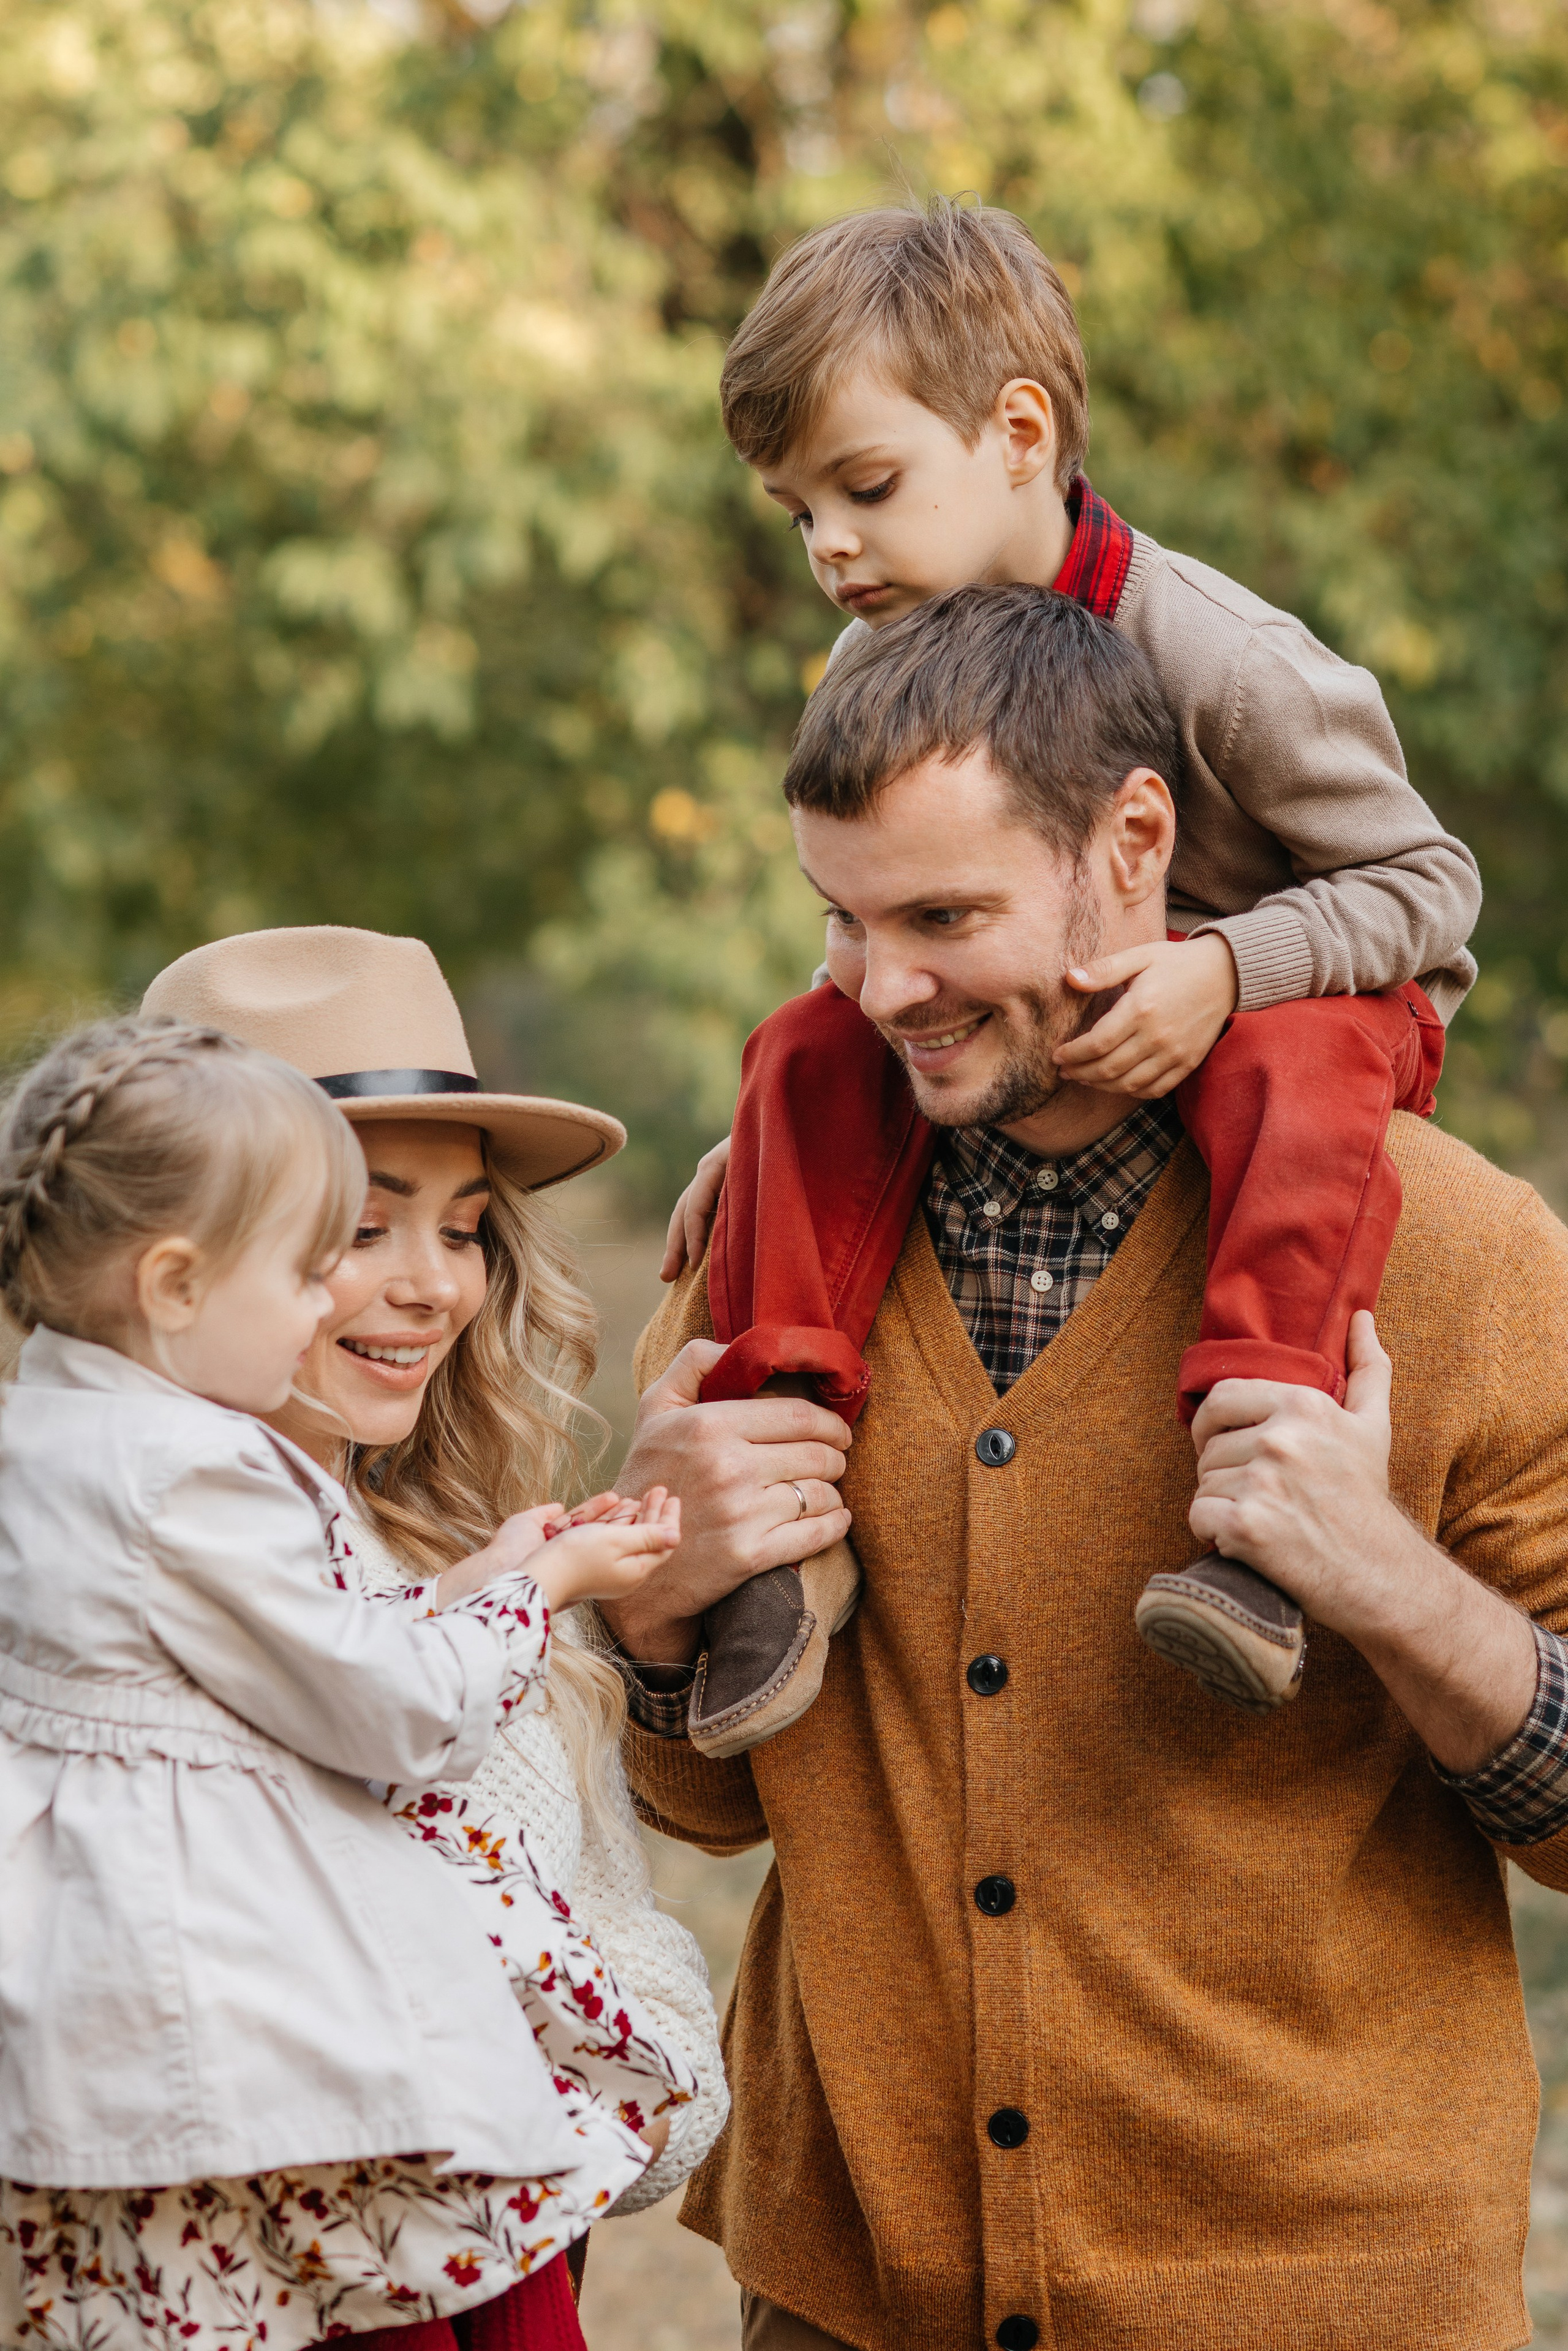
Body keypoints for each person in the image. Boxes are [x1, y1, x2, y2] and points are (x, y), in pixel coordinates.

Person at [601, 590, 1568, 2350]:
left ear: (1136, 842)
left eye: (946, 916)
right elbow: (706, 1806)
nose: (883, 986)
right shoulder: (764, 1240)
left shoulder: (1470, 1261)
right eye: (844, 919)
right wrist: (660, 1625)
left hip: (1328, 2302)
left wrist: (1386, 1578)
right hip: (846, 2295)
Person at [657, 194, 1480, 1748]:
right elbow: (877, 924)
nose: (829, 545)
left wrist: (1226, 967)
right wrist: (779, 1132)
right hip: (1040, 1014)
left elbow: (1433, 887)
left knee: (1283, 1066)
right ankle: (786, 1513)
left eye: (865, 486)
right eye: (795, 512)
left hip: (1297, 998)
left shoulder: (1222, 660)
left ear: (1018, 432)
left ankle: (1257, 1508)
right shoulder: (872, 658)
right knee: (795, 1045)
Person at [0, 1013, 687, 2351]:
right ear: (176, 1280)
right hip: (281, 2080)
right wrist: (532, 1592)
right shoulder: (195, 1467)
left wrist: (471, 1576)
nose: (364, 1294)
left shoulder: (64, 1427)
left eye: (463, 1227)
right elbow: (392, 1709)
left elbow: (277, 1661)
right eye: (335, 1250)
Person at [140, 923, 731, 2315]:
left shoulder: (476, 1583)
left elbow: (640, 1996)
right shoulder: (99, 1568)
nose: (432, 1283)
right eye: (359, 1226)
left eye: (463, 1228)